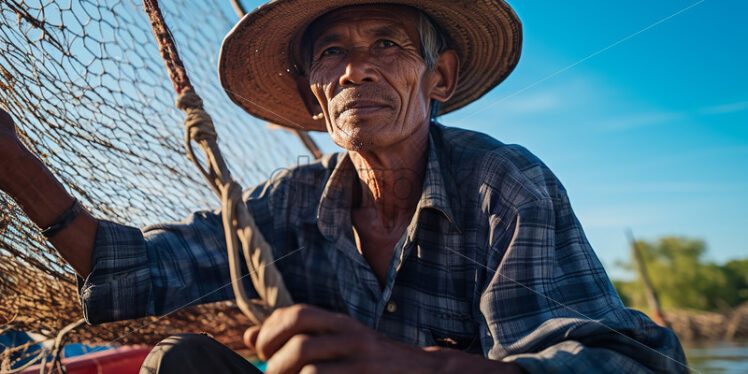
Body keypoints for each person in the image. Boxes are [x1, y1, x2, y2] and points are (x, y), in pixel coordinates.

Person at [0, 0, 688, 373]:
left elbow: (607, 363)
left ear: (438, 78)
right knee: (180, 363)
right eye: (334, 52)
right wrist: (16, 167)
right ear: (313, 96)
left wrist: (412, 368)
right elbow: (138, 271)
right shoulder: (288, 202)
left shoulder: (504, 185)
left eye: (387, 43)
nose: (358, 69)